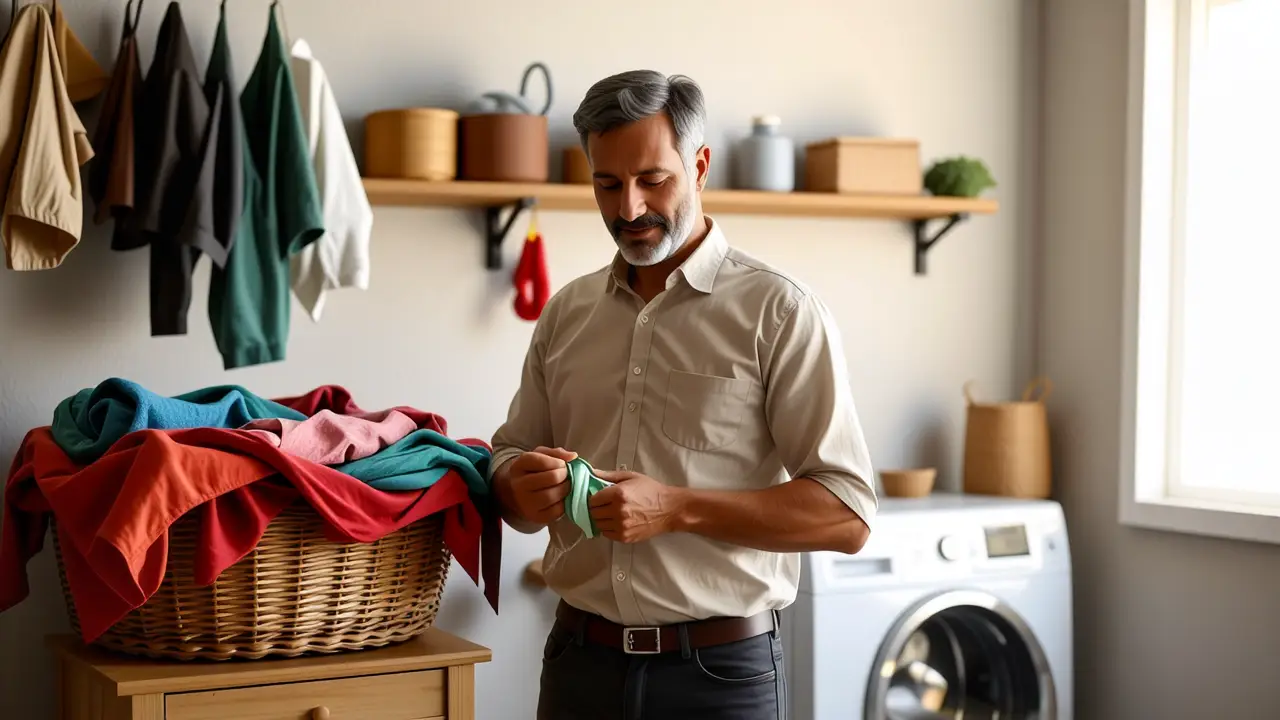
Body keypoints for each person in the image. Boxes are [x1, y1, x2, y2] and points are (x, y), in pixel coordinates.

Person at [489, 69, 877, 720]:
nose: (629, 209)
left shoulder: (778, 311)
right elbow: (509, 465)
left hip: (721, 679)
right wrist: (515, 487)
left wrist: (676, 508)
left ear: (699, 166)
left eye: (652, 180)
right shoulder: (565, 314)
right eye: (607, 184)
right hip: (576, 666)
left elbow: (847, 515)